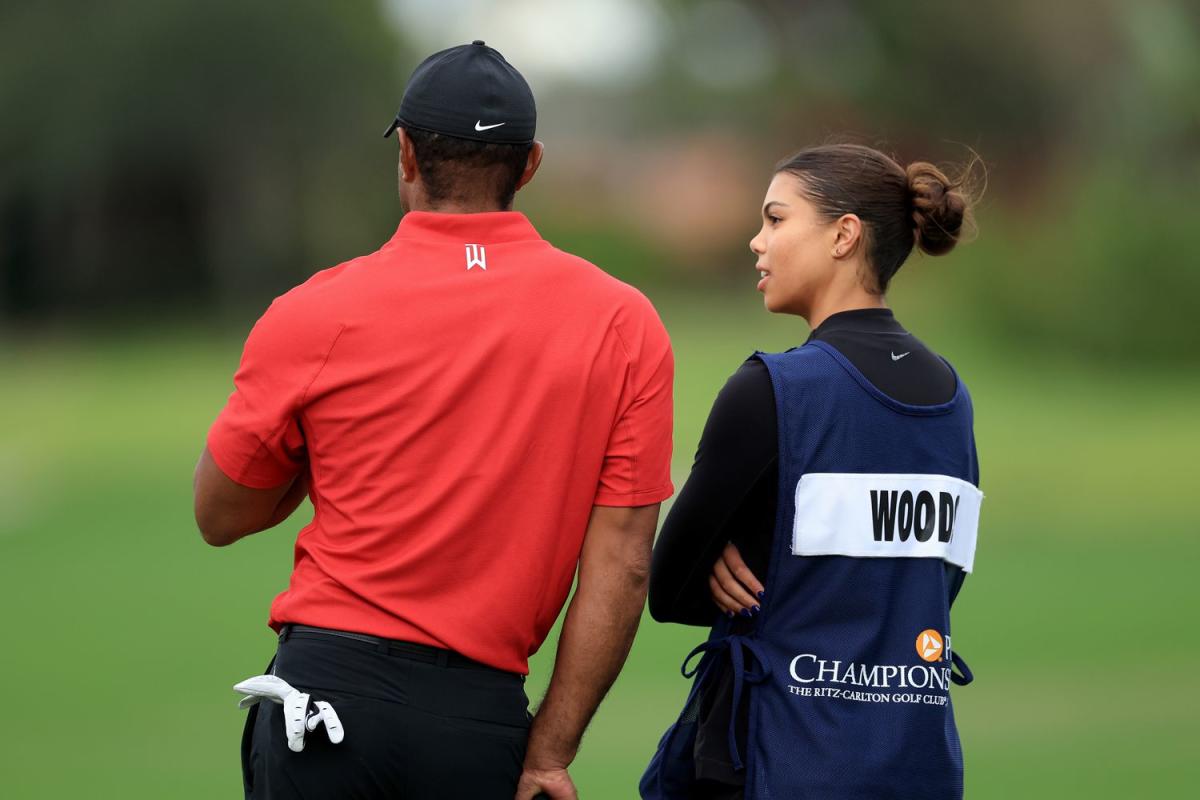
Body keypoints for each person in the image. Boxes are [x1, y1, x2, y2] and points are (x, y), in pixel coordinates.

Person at [192, 41, 674, 800]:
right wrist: (549, 751)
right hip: (477, 721)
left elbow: (219, 514)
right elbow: (625, 563)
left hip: (328, 705)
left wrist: (312, 461)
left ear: (407, 154)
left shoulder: (313, 311)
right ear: (531, 164)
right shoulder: (624, 321)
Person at [641, 143, 983, 800]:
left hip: (780, 761)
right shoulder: (953, 397)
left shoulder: (773, 389)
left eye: (775, 219)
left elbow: (669, 589)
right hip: (919, 764)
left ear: (844, 235)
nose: (755, 242)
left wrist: (733, 561)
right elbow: (932, 581)